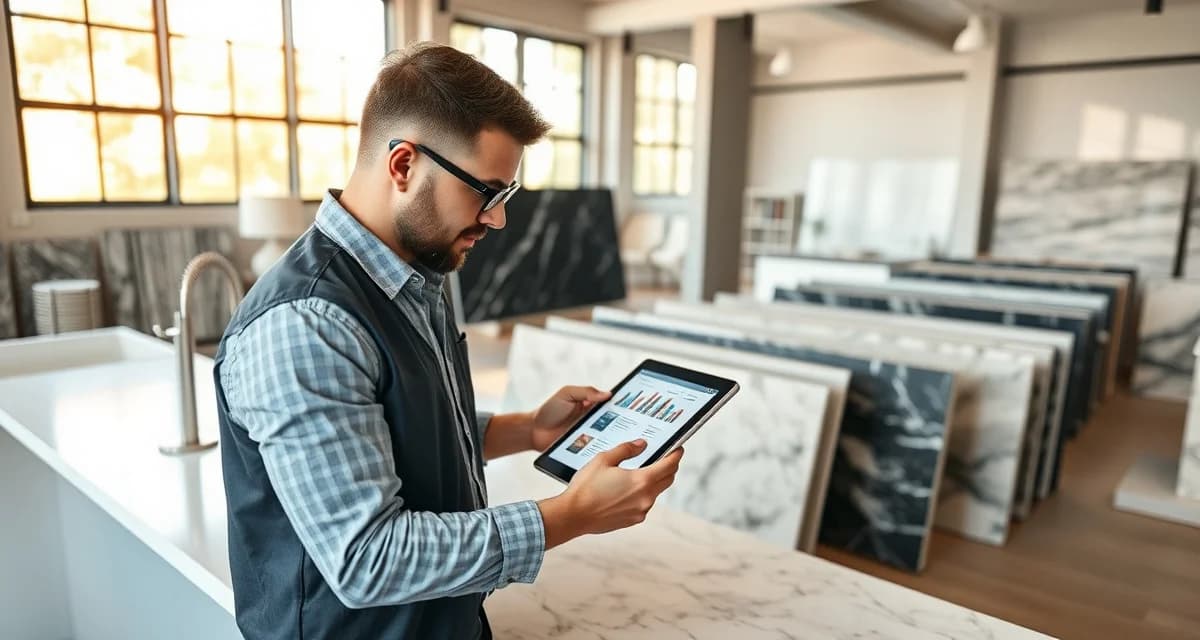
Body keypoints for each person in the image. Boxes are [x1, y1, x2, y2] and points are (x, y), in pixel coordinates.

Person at [213, 42, 684, 640]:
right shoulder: (305, 324)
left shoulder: (415, 272)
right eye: (486, 191)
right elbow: (369, 558)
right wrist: (569, 516)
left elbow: (400, 429)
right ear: (404, 165)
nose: (497, 219)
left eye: (506, 196)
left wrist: (527, 429)